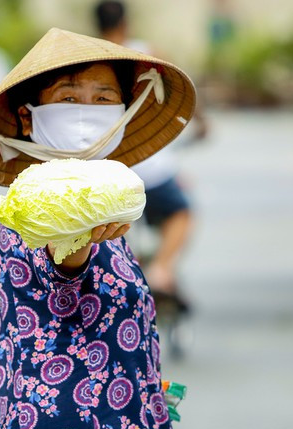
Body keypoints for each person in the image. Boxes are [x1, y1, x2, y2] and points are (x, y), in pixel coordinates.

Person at [0, 27, 198, 429]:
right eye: (68, 97)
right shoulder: (45, 205)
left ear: (123, 112)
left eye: (103, 98)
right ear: (28, 117)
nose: (87, 109)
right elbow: (64, 268)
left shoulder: (92, 196)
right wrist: (78, 243)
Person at [94, 0, 205, 303]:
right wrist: (203, 125)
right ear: (126, 24)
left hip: (101, 169)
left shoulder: (86, 58)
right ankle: (161, 269)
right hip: (149, 168)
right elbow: (186, 92)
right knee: (181, 212)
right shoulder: (148, 53)